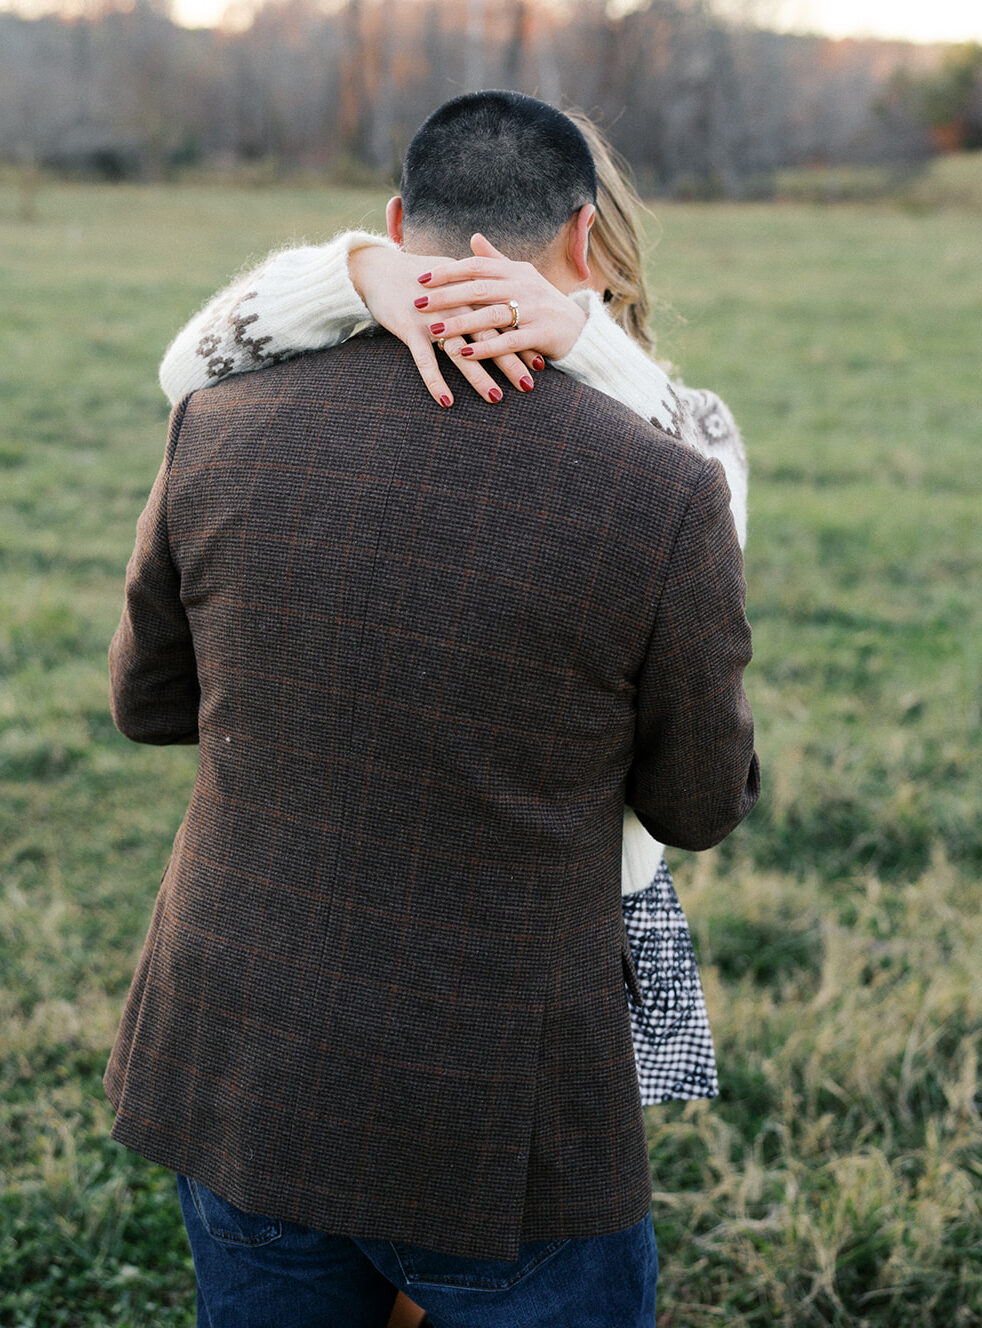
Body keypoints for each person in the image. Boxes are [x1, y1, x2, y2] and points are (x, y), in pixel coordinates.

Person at [107, 90, 759, 1327]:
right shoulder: (672, 481)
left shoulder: (217, 421)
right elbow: (692, 804)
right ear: (586, 239)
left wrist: (354, 272)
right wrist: (581, 343)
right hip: (496, 1103)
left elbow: (150, 704)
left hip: (243, 1053)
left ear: (401, 223)